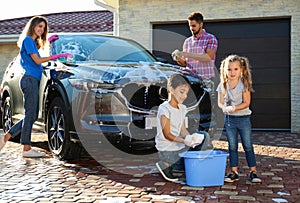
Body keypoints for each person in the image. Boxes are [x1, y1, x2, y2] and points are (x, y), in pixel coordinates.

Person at [0, 16, 71, 158]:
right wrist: (56, 56)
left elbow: (38, 56)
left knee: (30, 116)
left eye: (43, 28)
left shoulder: (31, 42)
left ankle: (5, 138)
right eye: (39, 26)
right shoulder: (27, 40)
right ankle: (26, 148)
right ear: (33, 26)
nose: (41, 29)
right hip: (29, 81)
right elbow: (38, 60)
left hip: (32, 81)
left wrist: (49, 42)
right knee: (30, 115)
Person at [155, 73, 210, 182]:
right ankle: (165, 164)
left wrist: (190, 138)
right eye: (181, 92)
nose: (184, 96)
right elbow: (167, 134)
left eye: (186, 93)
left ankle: (182, 165)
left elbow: (183, 129)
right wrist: (185, 141)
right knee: (179, 160)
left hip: (179, 148)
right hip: (168, 151)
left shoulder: (182, 108)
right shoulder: (164, 109)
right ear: (171, 89)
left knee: (204, 136)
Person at [216, 54, 262, 183]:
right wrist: (224, 107)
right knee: (232, 146)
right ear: (225, 70)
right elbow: (220, 102)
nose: (232, 72)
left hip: (243, 119)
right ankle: (234, 171)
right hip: (230, 120)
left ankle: (253, 171)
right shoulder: (222, 85)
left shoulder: (244, 84)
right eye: (229, 69)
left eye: (235, 69)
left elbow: (246, 103)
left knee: (247, 145)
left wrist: (234, 108)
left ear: (241, 70)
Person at [172, 12, 218, 80]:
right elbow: (185, 63)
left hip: (206, 79)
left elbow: (208, 57)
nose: (191, 28)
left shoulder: (211, 38)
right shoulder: (187, 42)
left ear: (201, 24)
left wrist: (188, 54)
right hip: (190, 78)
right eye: (190, 26)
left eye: (193, 26)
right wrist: (178, 59)